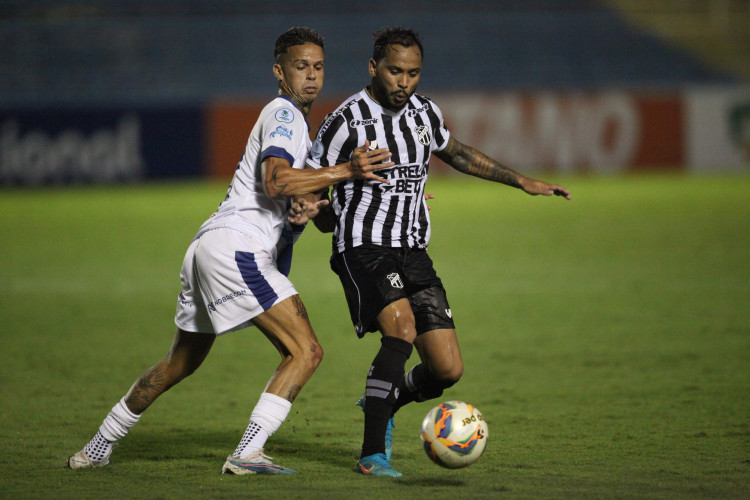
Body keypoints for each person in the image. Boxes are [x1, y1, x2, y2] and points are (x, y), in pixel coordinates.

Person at [67, 26, 393, 475]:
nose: (312, 76)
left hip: (208, 247)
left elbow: (299, 200)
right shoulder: (284, 114)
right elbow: (275, 181)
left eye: (318, 67)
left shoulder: (298, 126)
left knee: (179, 363)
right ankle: (247, 453)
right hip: (237, 249)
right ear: (280, 72)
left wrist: (309, 208)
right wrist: (346, 169)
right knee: (306, 352)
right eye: (301, 67)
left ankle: (96, 447)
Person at [296, 27, 570, 477]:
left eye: (413, 73)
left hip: (413, 250)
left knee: (446, 369)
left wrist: (522, 181)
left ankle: (381, 399)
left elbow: (459, 155)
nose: (403, 82)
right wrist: (322, 212)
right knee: (400, 330)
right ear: (373, 68)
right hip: (364, 245)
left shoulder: (425, 114)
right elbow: (308, 179)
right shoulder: (346, 119)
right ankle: (371, 456)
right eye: (394, 71)